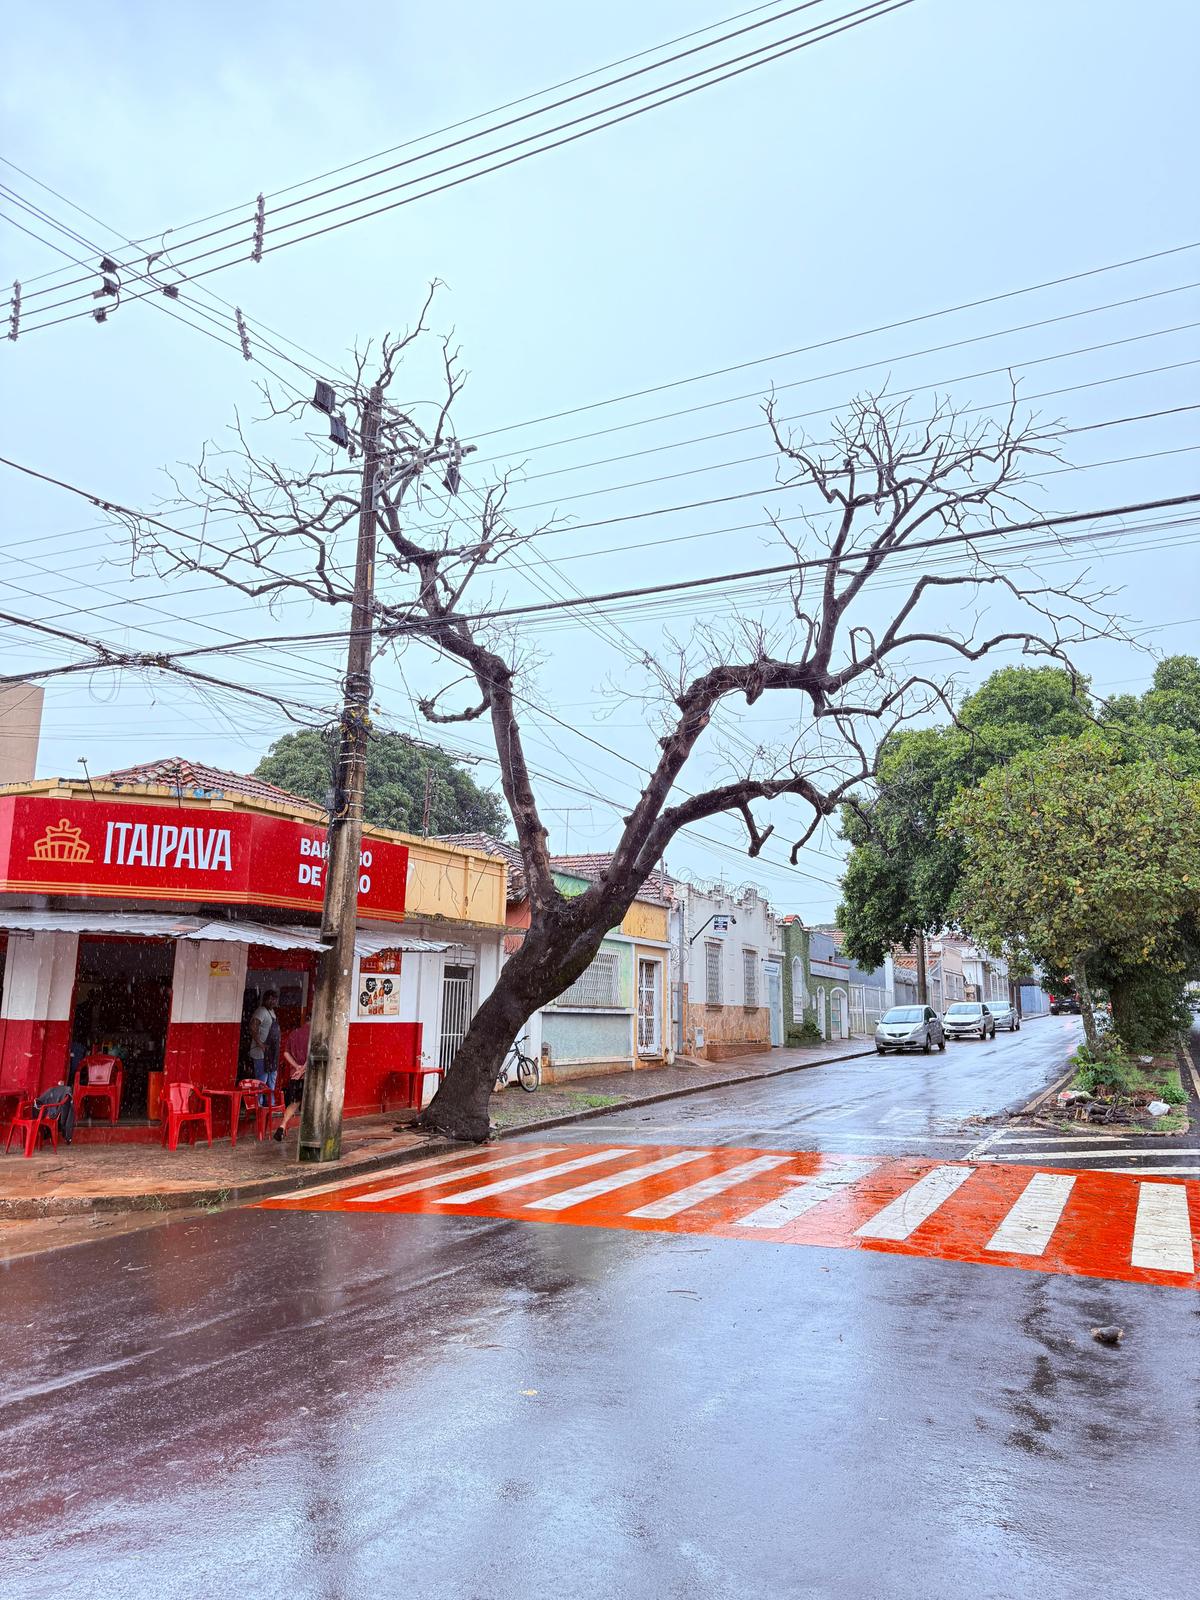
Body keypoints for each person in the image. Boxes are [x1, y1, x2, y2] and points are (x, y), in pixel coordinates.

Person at [273, 1015, 311, 1142]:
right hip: (308, 1075)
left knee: (294, 1102)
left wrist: (297, 1067)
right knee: (310, 1103)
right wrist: (303, 1069)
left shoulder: (294, 1034)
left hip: (294, 1075)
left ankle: (282, 1125)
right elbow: (312, 1054)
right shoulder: (314, 1034)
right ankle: (307, 1132)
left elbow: (285, 1053)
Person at [247, 989, 279, 1089]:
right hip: (260, 1053)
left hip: (270, 1053)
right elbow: (253, 1026)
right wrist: (260, 1043)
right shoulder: (261, 1011)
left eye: (274, 999)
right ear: (265, 1000)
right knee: (262, 1081)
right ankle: (259, 1103)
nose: (272, 1001)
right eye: (270, 999)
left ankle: (269, 1103)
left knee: (271, 1080)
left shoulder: (272, 1011)